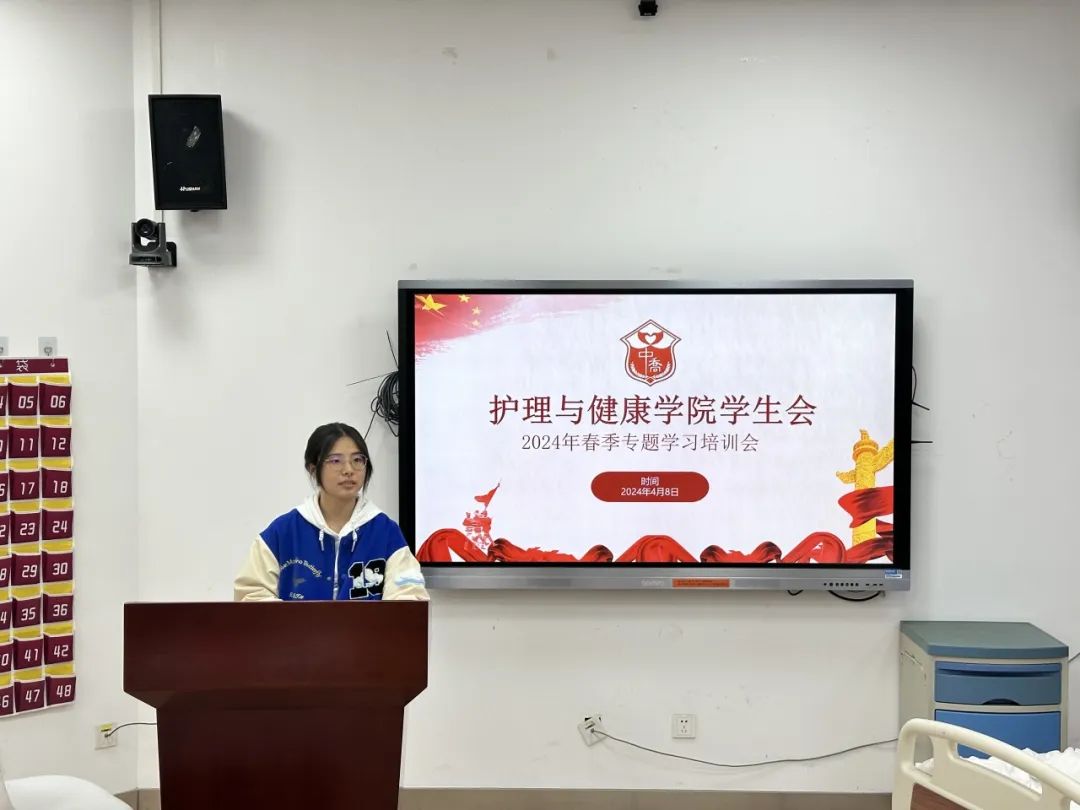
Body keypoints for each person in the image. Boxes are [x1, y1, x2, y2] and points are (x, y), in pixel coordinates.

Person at [234, 422, 428, 601]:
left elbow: (409, 598)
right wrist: (294, 623)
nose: (348, 470)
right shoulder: (283, 531)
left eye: (357, 460)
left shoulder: (385, 532)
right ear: (313, 469)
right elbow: (251, 594)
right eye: (335, 461)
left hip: (366, 630)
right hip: (296, 630)